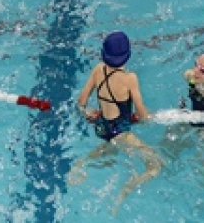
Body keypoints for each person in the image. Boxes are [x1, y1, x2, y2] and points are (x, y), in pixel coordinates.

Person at [68, 31, 163, 214]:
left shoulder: (98, 70)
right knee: (156, 166)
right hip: (121, 133)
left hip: (101, 127)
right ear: (128, 55)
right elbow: (142, 113)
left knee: (110, 154)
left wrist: (89, 114)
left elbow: (82, 101)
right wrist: (149, 118)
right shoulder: (129, 79)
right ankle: (126, 191)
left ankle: (82, 164)